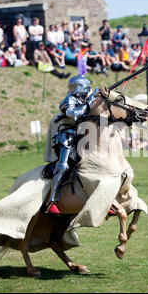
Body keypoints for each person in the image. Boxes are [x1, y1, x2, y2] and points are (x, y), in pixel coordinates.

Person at [44, 76, 101, 214]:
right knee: (63, 166)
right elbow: (74, 114)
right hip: (67, 136)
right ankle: (52, 200)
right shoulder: (68, 100)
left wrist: (97, 97)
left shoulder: (85, 97)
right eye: (86, 84)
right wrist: (90, 102)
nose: (88, 86)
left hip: (83, 135)